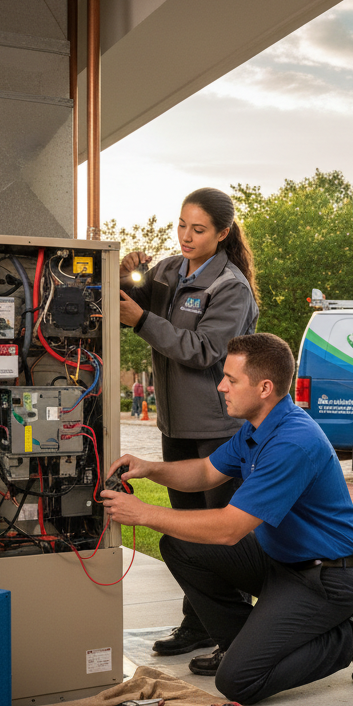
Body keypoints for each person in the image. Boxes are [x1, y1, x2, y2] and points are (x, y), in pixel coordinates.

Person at [101, 333, 353, 703]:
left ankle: (352, 634)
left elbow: (229, 529)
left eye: (231, 379)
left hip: (326, 579)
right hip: (281, 562)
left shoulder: (291, 442)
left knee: (239, 682)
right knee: (181, 546)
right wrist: (149, 468)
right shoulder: (255, 428)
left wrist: (143, 514)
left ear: (265, 387)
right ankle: (240, 644)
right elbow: (205, 472)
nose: (221, 386)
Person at [119, 187, 259, 657]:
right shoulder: (167, 270)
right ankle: (198, 624)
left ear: (222, 234)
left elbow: (205, 351)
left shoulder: (230, 288)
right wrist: (128, 279)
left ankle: (233, 633)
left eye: (197, 229)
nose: (185, 236)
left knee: (221, 537)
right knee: (185, 533)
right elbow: (138, 307)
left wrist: (141, 319)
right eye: (181, 225)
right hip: (175, 427)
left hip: (219, 430)